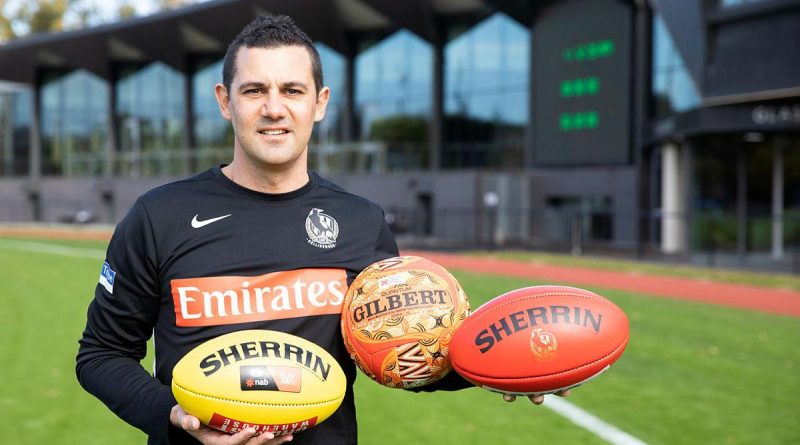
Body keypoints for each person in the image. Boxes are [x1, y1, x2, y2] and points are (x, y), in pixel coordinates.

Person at [76, 14, 564, 445]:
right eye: (254, 90)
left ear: (320, 102)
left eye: (292, 90)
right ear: (225, 101)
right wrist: (172, 415)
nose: (273, 108)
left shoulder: (360, 222)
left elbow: (396, 350)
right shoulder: (159, 216)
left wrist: (504, 363)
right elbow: (101, 355)